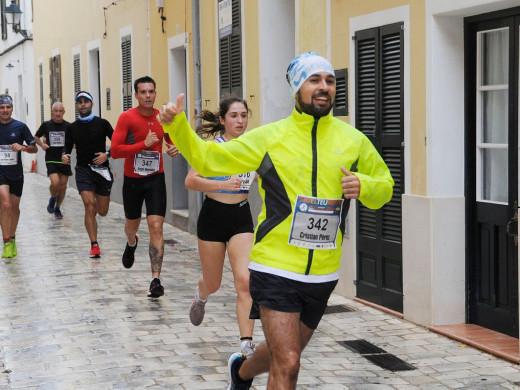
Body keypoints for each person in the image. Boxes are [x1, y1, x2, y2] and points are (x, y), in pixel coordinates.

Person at [158, 52, 394, 390]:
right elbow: (209, 160)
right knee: (289, 362)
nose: (324, 86)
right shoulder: (270, 137)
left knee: (283, 353)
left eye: (329, 80)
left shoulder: (353, 140)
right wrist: (176, 125)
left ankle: (240, 373)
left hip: (324, 273)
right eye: (314, 80)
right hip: (276, 268)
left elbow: (384, 186)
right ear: (297, 89)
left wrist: (364, 185)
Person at [185, 97, 256, 357]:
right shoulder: (211, 148)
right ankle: (201, 295)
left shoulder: (254, 147)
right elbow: (191, 181)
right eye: (234, 116)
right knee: (214, 282)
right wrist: (221, 185)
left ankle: (246, 343)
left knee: (245, 282)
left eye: (244, 115)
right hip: (213, 216)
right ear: (223, 119)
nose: (240, 121)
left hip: (241, 217)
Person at [111, 76, 179, 298]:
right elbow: (115, 151)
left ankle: (155, 280)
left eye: (151, 91)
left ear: (155, 93)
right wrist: (144, 144)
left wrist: (173, 148)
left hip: (155, 178)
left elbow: (171, 139)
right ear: (136, 95)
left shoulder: (163, 117)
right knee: (132, 225)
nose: (148, 96)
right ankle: (132, 243)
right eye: (143, 92)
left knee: (156, 225)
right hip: (132, 180)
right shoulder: (127, 118)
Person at [62, 91, 114, 258]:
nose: (83, 104)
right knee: (89, 205)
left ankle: (94, 222)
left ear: (91, 104)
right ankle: (94, 244)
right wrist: (65, 155)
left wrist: (108, 154)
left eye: (86, 101)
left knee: (103, 210)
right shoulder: (72, 127)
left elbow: (118, 142)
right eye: (80, 102)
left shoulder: (103, 123)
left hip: (102, 171)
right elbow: (67, 146)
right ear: (77, 105)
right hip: (83, 170)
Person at [0, 94, 38, 258]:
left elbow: (34, 148)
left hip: (16, 174)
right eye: (2, 107)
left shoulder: (20, 127)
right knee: (6, 205)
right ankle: (6, 242)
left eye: (8, 107)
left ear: (12, 109)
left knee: (14, 208)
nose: (5, 110)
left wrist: (22, 148)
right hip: (0, 173)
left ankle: (13, 238)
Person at [34, 102, 72, 219]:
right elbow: (36, 136)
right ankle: (52, 198)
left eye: (60, 111)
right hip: (51, 158)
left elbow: (74, 139)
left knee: (63, 186)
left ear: (64, 112)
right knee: (55, 182)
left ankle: (57, 207)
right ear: (52, 112)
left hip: (64, 158)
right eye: (56, 111)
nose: (58, 113)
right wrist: (42, 145)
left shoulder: (69, 126)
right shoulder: (46, 125)